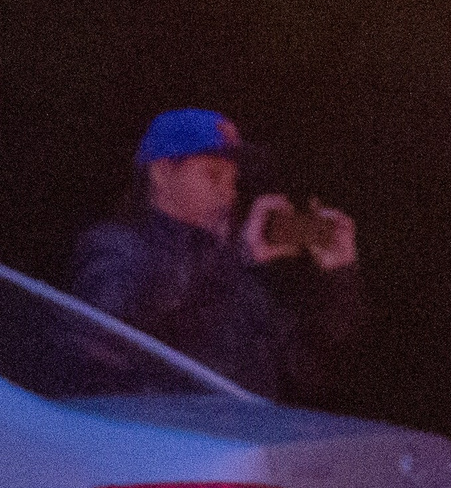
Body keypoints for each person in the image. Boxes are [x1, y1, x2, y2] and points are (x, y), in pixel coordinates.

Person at [70, 108, 363, 402]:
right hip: (158, 440)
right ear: (162, 173)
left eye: (233, 181)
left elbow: (310, 372)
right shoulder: (115, 247)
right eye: (214, 175)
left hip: (238, 443)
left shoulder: (238, 274)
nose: (229, 192)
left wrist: (339, 279)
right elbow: (106, 348)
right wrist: (235, 260)